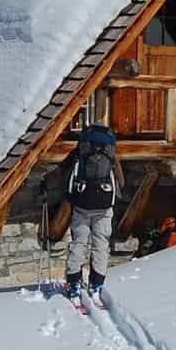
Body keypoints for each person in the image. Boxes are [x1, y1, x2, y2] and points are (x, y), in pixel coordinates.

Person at [62, 123, 123, 304]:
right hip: (104, 208)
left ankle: (73, 284)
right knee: (101, 246)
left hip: (82, 206)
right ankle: (96, 285)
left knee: (79, 244)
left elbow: (65, 175)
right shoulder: (111, 155)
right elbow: (121, 181)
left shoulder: (80, 153)